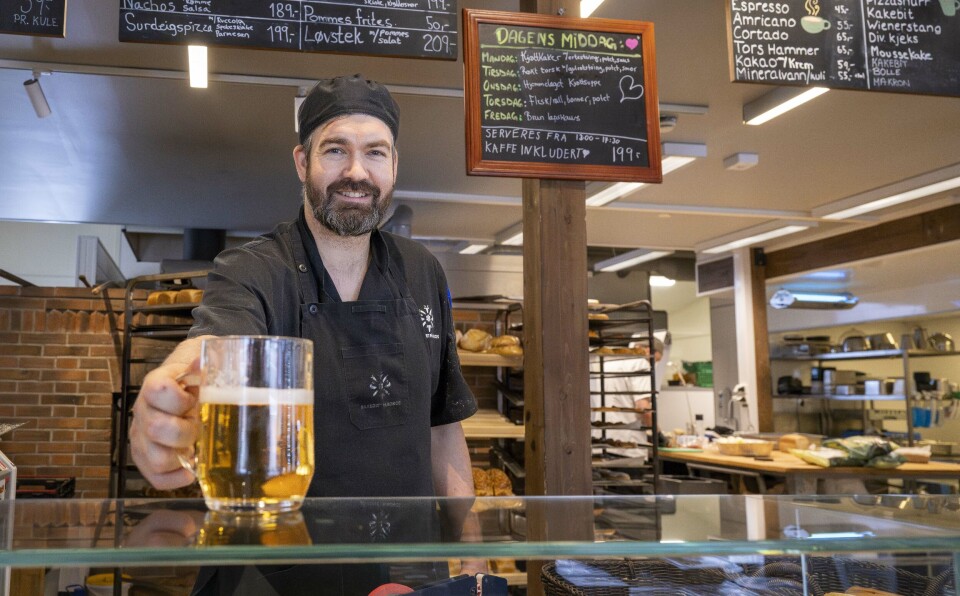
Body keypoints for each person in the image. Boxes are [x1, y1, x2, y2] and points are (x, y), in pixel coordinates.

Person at [130, 74, 483, 593]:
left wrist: (472, 551)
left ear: (394, 165)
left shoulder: (422, 270)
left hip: (407, 570)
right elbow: (209, 348)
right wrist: (167, 395)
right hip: (275, 576)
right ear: (302, 162)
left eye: (375, 152)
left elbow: (442, 425)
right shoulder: (251, 270)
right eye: (335, 150)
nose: (356, 171)